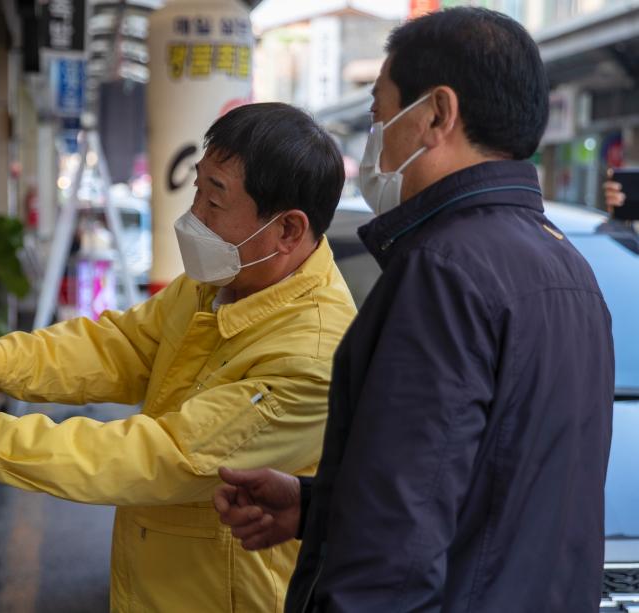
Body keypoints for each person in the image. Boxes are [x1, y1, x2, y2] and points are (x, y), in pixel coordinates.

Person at [0, 102, 358, 612]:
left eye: (216, 201)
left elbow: (159, 456)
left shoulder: (310, 354)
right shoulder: (222, 283)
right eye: (197, 191)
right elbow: (119, 348)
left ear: (289, 231)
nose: (193, 217)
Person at [214, 8, 615, 613]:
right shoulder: (569, 269)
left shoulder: (445, 269)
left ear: (436, 115)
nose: (375, 138)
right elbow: (495, 497)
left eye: (380, 114)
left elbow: (394, 553)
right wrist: (318, 509)